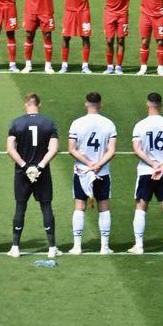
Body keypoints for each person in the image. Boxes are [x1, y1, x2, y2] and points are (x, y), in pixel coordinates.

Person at [6, 92, 59, 257]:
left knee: (20, 206)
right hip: (42, 173)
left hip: (22, 173)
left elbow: (10, 149)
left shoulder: (17, 123)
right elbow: (53, 149)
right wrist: (40, 167)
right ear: (39, 104)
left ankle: (15, 247)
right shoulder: (49, 123)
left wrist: (25, 166)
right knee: (46, 206)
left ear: (25, 104)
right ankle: (52, 248)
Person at [68, 89, 118, 254]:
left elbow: (72, 149)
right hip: (101, 172)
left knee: (79, 205)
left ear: (86, 104)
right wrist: (98, 164)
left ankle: (77, 246)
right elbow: (111, 151)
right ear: (100, 104)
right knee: (103, 205)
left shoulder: (77, 123)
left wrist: (88, 163)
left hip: (82, 171)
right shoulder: (109, 124)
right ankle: (104, 247)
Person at [131, 91, 163, 255]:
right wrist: (162, 166)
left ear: (147, 104)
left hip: (146, 171)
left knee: (141, 206)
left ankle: (139, 246)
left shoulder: (140, 125)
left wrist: (153, 164)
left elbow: (137, 149)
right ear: (161, 105)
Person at [56, 0, 99, 73]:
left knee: (85, 37)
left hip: (83, 10)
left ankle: (85, 66)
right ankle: (64, 65)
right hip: (69, 10)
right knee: (66, 37)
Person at [20, 0, 62, 73]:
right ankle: (28, 65)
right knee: (29, 35)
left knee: (47, 36)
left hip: (46, 11)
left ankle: (48, 65)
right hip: (30, 10)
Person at [100, 0, 139, 73]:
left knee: (121, 40)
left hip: (123, 15)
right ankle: (109, 66)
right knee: (109, 41)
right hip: (109, 14)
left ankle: (118, 66)